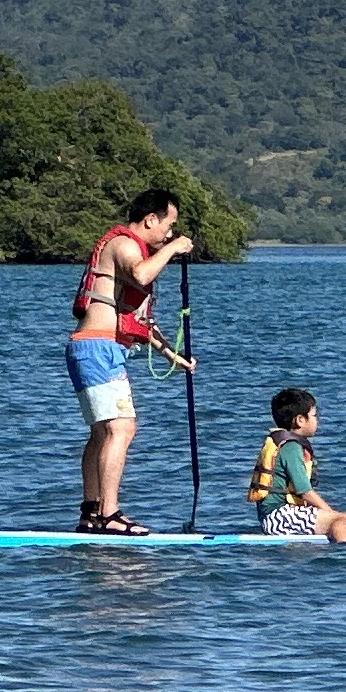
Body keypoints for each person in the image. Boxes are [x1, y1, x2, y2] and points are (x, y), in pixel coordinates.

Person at [67, 187, 195, 533]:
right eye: (168, 225)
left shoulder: (130, 250)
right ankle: (109, 514)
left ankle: (91, 513)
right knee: (121, 428)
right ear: (150, 219)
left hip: (93, 349)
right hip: (97, 349)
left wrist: (173, 355)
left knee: (101, 433)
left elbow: (133, 321)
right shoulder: (123, 245)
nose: (169, 233)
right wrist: (174, 247)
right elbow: (141, 275)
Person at [246, 387, 346, 542]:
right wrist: (333, 515)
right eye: (314, 416)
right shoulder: (291, 447)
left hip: (275, 518)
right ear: (300, 420)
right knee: (344, 520)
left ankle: (343, 533)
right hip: (278, 517)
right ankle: (345, 554)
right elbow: (304, 491)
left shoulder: (283, 442)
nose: (317, 420)